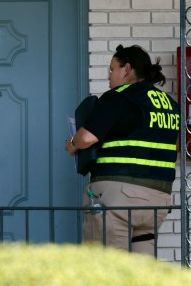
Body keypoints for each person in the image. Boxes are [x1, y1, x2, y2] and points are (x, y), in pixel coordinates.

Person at [64, 44, 181, 255]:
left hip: (118, 197)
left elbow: (87, 137)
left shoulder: (119, 96)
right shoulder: (170, 105)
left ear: (126, 69)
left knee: (107, 269)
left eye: (112, 69)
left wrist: (72, 144)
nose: (109, 75)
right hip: (157, 199)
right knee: (141, 274)